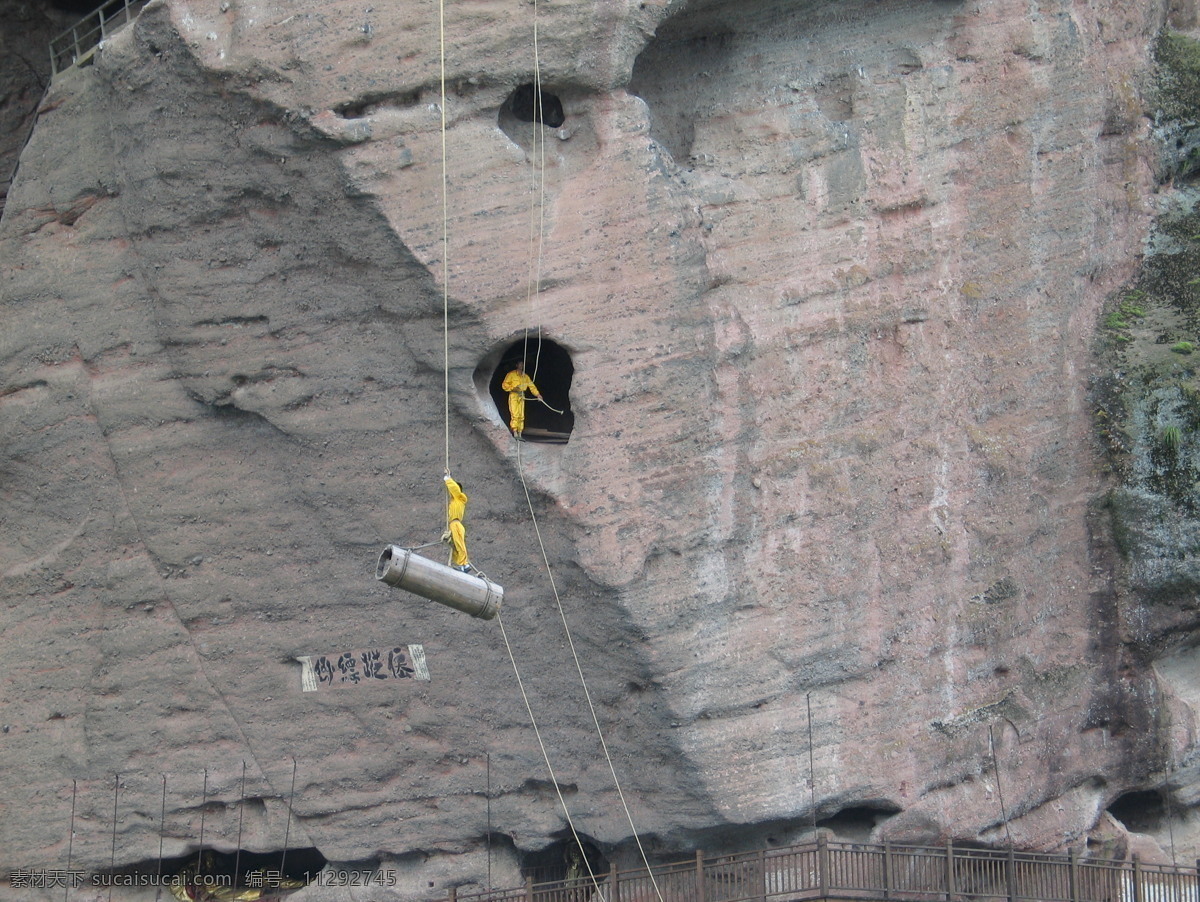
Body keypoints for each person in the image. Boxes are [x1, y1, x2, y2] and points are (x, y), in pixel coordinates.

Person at [500, 360, 542, 438]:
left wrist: (538, 395)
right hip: (514, 396)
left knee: (521, 415)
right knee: (515, 414)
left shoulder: (525, 376)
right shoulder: (511, 374)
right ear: (516, 365)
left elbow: (532, 386)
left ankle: (520, 433)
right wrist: (513, 388)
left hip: (522, 396)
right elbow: (504, 385)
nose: (521, 366)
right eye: (520, 364)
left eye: (522, 364)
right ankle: (515, 431)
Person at [442, 469, 471, 572]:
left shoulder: (461, 498)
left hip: (456, 524)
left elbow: (455, 489)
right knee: (455, 546)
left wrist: (448, 479)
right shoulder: (454, 501)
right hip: (453, 524)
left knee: (459, 543)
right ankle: (461, 564)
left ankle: (464, 564)